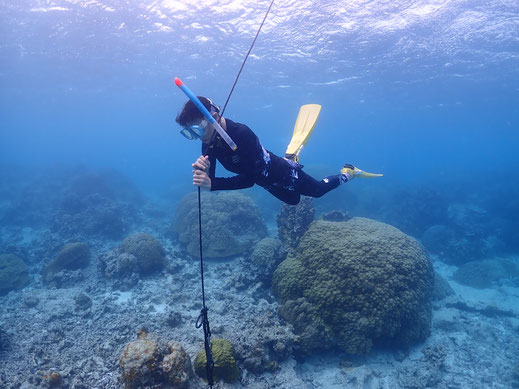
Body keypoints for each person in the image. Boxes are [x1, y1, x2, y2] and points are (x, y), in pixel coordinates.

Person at [176, 96, 376, 205]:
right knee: (293, 201)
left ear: (215, 116)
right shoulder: (208, 140)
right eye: (189, 133)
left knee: (317, 192)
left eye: (198, 128)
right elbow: (209, 178)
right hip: (266, 181)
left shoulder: (243, 133)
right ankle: (292, 157)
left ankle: (348, 173)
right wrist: (204, 170)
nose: (197, 137)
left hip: (281, 173)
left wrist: (214, 184)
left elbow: (248, 180)